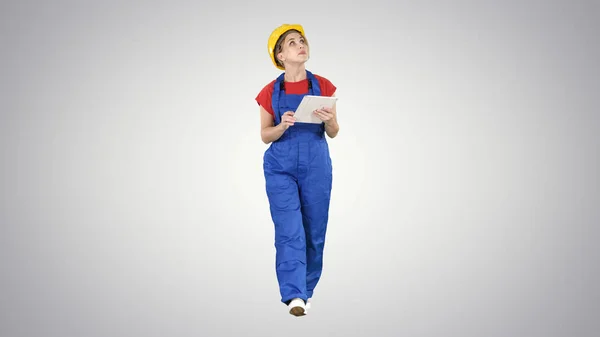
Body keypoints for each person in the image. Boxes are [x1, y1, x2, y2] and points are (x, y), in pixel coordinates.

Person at [255, 24, 339, 317]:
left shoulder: (324, 87)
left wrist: (328, 120)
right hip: (281, 167)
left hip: (316, 165)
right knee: (290, 231)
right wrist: (281, 125)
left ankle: (306, 289)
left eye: (302, 40)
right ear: (280, 55)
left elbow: (334, 131)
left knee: (314, 231)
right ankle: (294, 295)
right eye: (292, 43)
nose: (300, 45)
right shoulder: (269, 92)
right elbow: (264, 134)